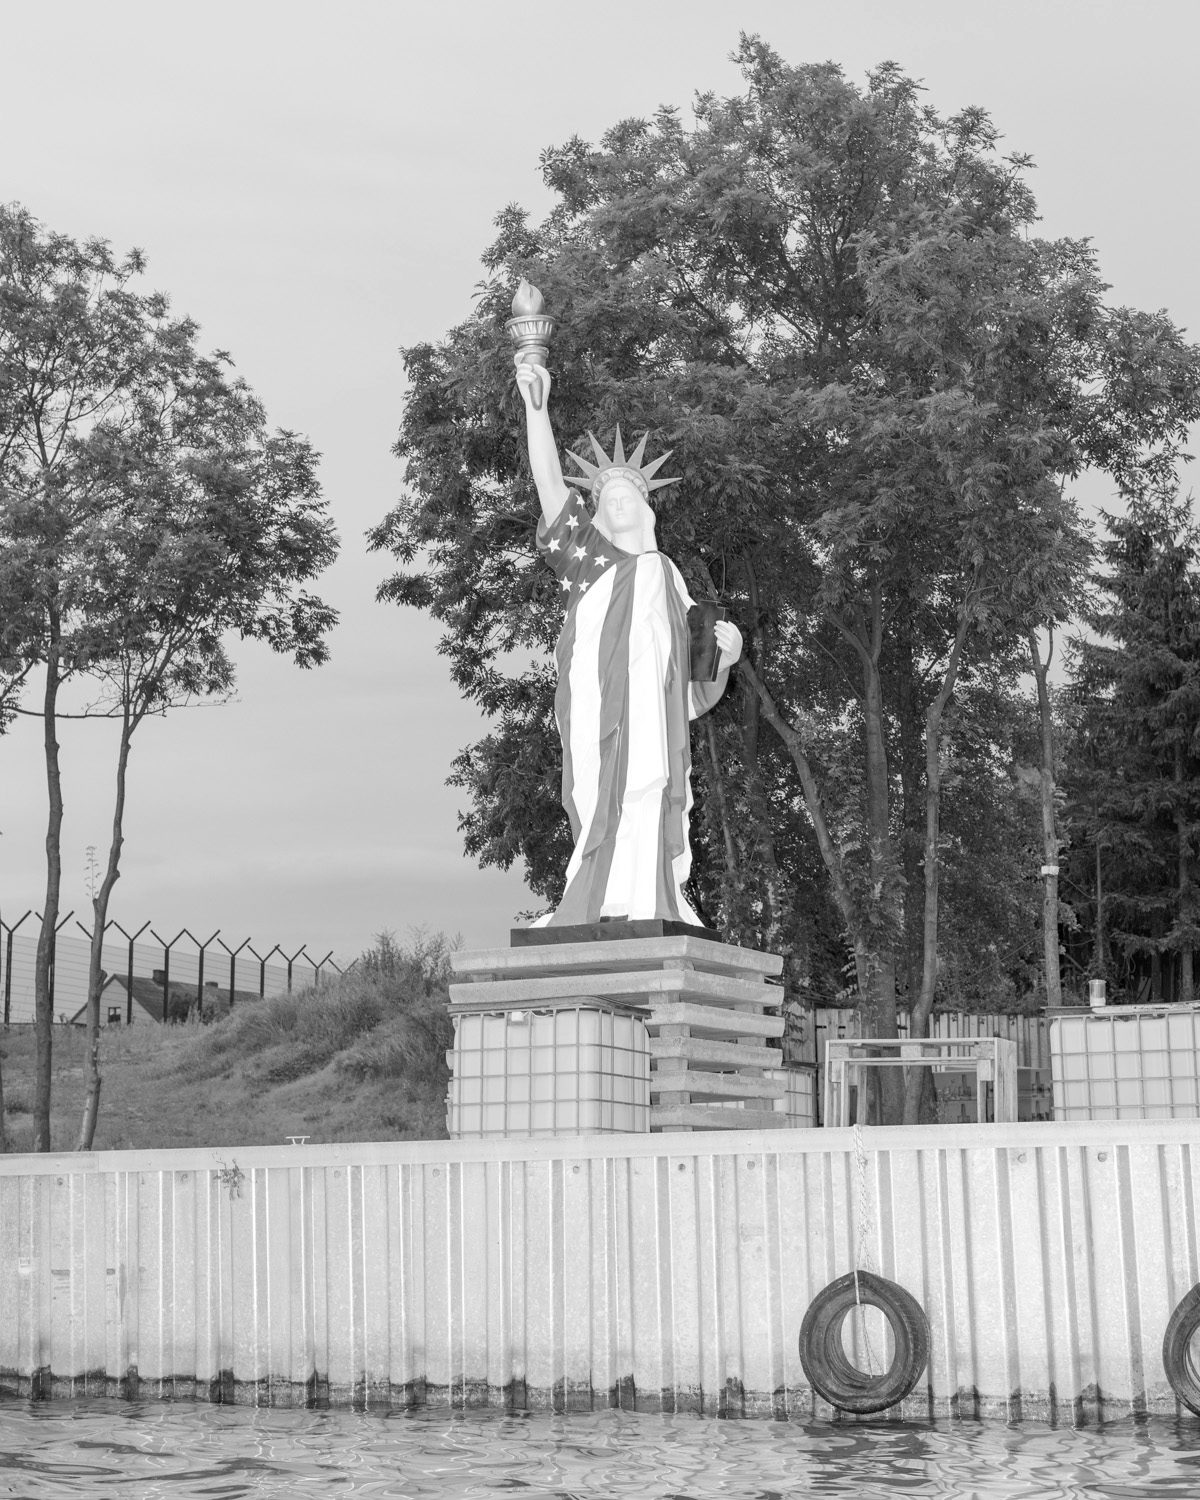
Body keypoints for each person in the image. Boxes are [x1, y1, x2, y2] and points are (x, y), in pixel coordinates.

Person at [515, 359, 742, 927]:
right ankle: (594, 895)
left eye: (626, 498)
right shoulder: (587, 559)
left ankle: (651, 895)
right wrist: (535, 410)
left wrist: (728, 655)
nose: (615, 505)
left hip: (652, 716)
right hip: (595, 706)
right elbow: (548, 484)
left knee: (652, 785)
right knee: (597, 792)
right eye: (606, 500)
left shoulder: (667, 573)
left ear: (646, 508)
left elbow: (697, 666)